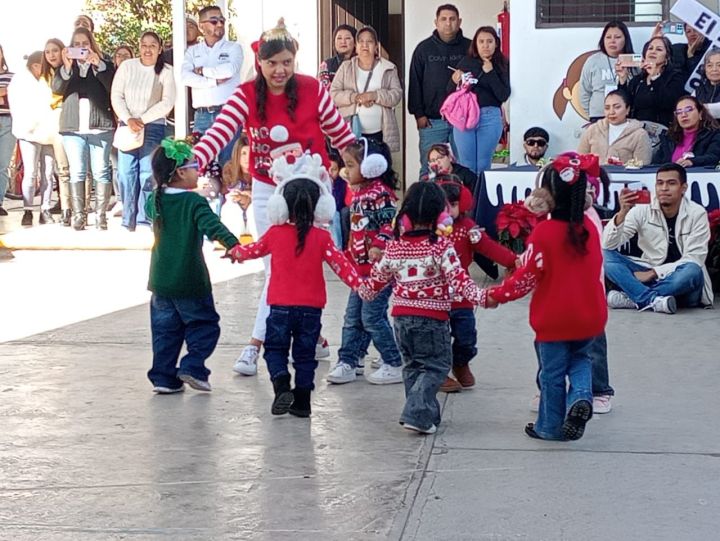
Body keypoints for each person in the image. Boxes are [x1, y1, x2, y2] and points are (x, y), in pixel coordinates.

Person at [192, 20, 355, 377]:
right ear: (260, 63)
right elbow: (219, 133)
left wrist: (362, 173)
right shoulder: (246, 95)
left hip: (312, 189)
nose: (280, 70)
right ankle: (291, 340)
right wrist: (192, 162)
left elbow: (341, 135)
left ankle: (259, 343)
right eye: (272, 63)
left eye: (287, 62)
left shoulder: (313, 89)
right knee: (276, 266)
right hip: (268, 189)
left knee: (303, 265)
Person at [227, 153, 361, 417]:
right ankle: (302, 402)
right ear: (319, 206)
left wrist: (235, 252)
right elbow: (342, 266)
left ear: (280, 205)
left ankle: (281, 385)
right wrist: (360, 285)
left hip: (279, 306)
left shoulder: (275, 234)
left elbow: (253, 250)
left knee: (275, 350)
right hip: (311, 309)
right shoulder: (322, 237)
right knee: (305, 355)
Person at [484, 155, 607, 441]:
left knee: (552, 374)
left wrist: (496, 295)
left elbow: (526, 278)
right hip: (590, 314)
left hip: (554, 317)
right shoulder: (589, 228)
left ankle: (549, 427)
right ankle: (581, 396)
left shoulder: (545, 233)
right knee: (580, 359)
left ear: (547, 195)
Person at [358, 181, 487, 435]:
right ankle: (416, 414)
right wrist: (483, 298)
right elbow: (460, 280)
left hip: (401, 319)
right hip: (432, 318)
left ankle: (426, 416)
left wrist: (362, 289)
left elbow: (375, 282)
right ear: (440, 216)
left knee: (413, 366)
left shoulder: (394, 246)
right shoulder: (441, 246)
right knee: (437, 366)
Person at [145, 138, 241, 394]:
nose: (199, 171)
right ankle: (193, 366)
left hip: (160, 280)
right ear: (180, 172)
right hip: (190, 278)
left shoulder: (155, 199)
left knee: (165, 332)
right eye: (194, 166)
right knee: (204, 325)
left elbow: (149, 212)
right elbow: (213, 226)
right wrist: (233, 245)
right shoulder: (194, 202)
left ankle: (164, 377)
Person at [524, 156, 615, 415]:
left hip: (577, 296)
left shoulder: (585, 221)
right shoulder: (553, 219)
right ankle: (556, 391)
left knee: (586, 349)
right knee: (561, 350)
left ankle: (598, 391)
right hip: (567, 299)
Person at [326, 139, 403, 385]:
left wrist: (379, 245)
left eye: (350, 165)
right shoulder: (358, 194)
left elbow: (390, 225)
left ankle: (394, 361)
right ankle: (351, 360)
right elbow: (357, 231)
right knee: (354, 317)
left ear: (371, 166)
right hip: (361, 271)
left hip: (379, 271)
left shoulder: (381, 194)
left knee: (371, 317)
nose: (345, 171)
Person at [437, 180, 517, 393]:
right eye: (443, 205)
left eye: (453, 204)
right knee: (438, 339)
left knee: (467, 337)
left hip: (462, 294)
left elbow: (488, 247)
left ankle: (460, 363)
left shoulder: (467, 228)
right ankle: (439, 373)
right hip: (434, 296)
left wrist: (512, 260)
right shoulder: (429, 228)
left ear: (462, 204)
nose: (448, 210)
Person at [603, 163, 712, 313]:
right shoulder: (642, 210)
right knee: (604, 255)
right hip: (648, 269)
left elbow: (694, 258)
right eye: (660, 183)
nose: (664, 188)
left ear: (683, 188)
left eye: (671, 183)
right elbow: (608, 245)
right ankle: (651, 300)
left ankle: (634, 297)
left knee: (692, 270)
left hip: (680, 283)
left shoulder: (697, 214)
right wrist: (622, 214)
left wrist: (654, 272)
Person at [111, 31, 176, 231]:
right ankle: (128, 219)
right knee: (126, 173)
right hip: (127, 126)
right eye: (144, 45)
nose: (148, 49)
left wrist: (142, 119)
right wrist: (128, 118)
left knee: (147, 173)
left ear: (160, 49)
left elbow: (167, 101)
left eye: (152, 45)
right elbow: (116, 95)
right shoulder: (127, 67)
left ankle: (144, 218)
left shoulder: (166, 71)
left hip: (153, 126)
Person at [52, 27, 115, 231]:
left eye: (85, 44)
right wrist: (67, 67)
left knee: (101, 171)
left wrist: (98, 65)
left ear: (92, 45)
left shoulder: (104, 64)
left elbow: (112, 86)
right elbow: (57, 88)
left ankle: (100, 216)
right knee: (77, 171)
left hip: (100, 126)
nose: (81, 48)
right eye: (76, 44)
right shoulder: (66, 67)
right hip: (73, 128)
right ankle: (79, 215)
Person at [409, 4, 471, 176]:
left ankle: (460, 194)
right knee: (429, 168)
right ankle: (426, 195)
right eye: (443, 19)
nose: (448, 23)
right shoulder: (423, 49)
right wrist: (419, 114)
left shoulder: (470, 48)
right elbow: (415, 82)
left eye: (452, 19)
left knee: (463, 167)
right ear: (436, 22)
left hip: (462, 122)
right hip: (432, 121)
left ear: (459, 22)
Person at [182, 5, 243, 165]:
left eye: (222, 20)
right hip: (202, 115)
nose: (220, 24)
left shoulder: (233, 48)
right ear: (201, 26)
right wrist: (213, 81)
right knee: (200, 165)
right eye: (214, 21)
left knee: (228, 164)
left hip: (228, 113)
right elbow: (185, 77)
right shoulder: (192, 51)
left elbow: (230, 70)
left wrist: (202, 70)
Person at [449, 26, 510, 175]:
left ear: (496, 43)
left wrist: (490, 72)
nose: (485, 45)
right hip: (465, 115)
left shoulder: (502, 63)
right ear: (475, 44)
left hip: (489, 116)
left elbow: (503, 95)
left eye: (489, 41)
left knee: (483, 164)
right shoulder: (466, 62)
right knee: (466, 163)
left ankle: (481, 191)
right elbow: (450, 93)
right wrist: (453, 80)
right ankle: (469, 190)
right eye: (481, 41)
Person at [330, 26, 402, 151]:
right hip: (351, 131)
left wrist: (375, 96)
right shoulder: (346, 67)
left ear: (376, 46)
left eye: (369, 41)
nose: (365, 45)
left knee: (378, 163)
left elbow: (396, 95)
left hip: (380, 134)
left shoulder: (388, 68)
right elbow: (333, 94)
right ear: (356, 46)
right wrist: (356, 97)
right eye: (361, 41)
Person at [8, 51, 57, 227]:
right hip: (28, 131)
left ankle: (45, 209)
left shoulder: (50, 78)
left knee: (48, 173)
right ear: (32, 65)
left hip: (49, 131)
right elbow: (17, 105)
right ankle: (27, 210)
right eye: (37, 65)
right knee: (30, 173)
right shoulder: (20, 80)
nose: (40, 69)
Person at [616, 36, 686, 129]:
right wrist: (622, 80)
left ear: (667, 57)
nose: (653, 51)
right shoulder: (637, 80)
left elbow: (668, 103)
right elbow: (624, 104)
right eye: (650, 48)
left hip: (662, 129)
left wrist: (655, 77)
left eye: (659, 49)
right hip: (637, 129)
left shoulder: (676, 77)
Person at [40, 38, 72, 225]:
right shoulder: (43, 76)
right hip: (51, 122)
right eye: (47, 52)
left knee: (75, 168)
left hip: (70, 119)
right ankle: (66, 206)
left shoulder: (70, 70)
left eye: (54, 50)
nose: (51, 55)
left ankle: (77, 207)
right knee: (60, 169)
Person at [580, 21, 635, 122]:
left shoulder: (633, 62)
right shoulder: (593, 61)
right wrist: (592, 114)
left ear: (626, 39)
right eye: (608, 37)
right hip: (598, 117)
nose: (612, 41)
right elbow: (584, 91)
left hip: (626, 118)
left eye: (617, 37)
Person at [578, 90, 652, 165]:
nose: (611, 112)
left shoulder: (640, 135)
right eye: (607, 108)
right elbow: (580, 160)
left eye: (617, 107)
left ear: (628, 109)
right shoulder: (593, 130)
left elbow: (642, 166)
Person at [652, 96, 720, 167]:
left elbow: (714, 157)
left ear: (700, 113)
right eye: (679, 112)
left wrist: (692, 162)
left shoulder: (714, 135)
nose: (684, 115)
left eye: (689, 110)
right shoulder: (669, 138)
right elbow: (655, 164)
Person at [221, 134, 255, 240]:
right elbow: (228, 192)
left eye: (250, 153)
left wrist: (250, 196)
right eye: (243, 153)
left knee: (253, 210)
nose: (247, 158)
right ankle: (231, 242)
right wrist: (241, 197)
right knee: (231, 208)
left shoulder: (261, 170)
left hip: (254, 205)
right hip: (237, 205)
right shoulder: (230, 169)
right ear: (237, 155)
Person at [0, 44, 14, 216]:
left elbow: (13, 95)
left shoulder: (12, 77)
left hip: (8, 121)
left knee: (2, 164)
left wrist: (6, 93)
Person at [327, 150, 348, 248]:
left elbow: (339, 202)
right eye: (327, 168)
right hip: (322, 212)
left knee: (335, 215)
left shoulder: (341, 183)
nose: (330, 172)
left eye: (334, 169)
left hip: (336, 210)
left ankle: (338, 247)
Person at [694, 47, 720, 119]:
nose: (714, 69)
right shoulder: (698, 90)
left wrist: (700, 109)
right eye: (709, 65)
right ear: (704, 69)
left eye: (719, 65)